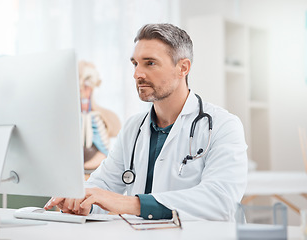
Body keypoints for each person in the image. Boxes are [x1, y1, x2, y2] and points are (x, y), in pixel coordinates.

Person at [44, 23, 248, 221]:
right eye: (135, 63)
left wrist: (129, 204)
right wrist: (78, 200)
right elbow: (103, 186)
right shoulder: (134, 128)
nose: (137, 74)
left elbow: (220, 201)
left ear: (183, 68)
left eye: (150, 63)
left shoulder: (223, 125)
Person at [79, 61, 121, 171]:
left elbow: (105, 153)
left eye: (88, 85)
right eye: (82, 85)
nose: (84, 90)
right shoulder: (69, 119)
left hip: (96, 170)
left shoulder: (98, 116)